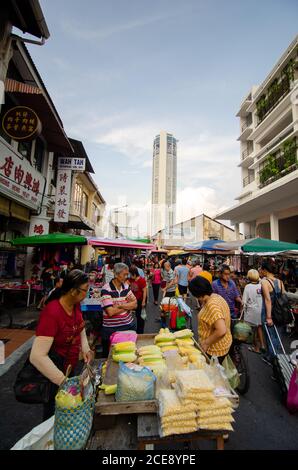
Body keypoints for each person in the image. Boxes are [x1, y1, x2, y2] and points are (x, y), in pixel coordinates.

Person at [30, 270, 94, 420]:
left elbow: (80, 327)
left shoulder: (75, 305)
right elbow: (37, 356)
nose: (87, 293)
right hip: (54, 372)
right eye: (85, 290)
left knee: (68, 410)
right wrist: (62, 381)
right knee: (54, 413)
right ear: (73, 291)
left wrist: (85, 348)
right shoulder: (52, 312)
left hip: (69, 368)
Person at [189, 276, 232, 363]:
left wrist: (206, 343)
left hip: (214, 349)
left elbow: (221, 330)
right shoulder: (215, 296)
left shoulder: (212, 306)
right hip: (224, 343)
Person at [100, 263, 137, 358]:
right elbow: (110, 312)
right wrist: (127, 305)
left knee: (128, 355)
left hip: (128, 326)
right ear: (116, 275)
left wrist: (120, 306)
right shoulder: (106, 289)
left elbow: (135, 304)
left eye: (127, 274)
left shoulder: (126, 286)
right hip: (111, 330)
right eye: (124, 274)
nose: (126, 277)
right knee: (110, 357)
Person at [260, 261, 285, 365]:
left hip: (268, 312)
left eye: (261, 269)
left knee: (270, 336)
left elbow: (267, 300)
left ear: (265, 270)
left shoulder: (264, 282)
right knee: (277, 335)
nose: (260, 272)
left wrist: (269, 317)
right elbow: (284, 297)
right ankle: (276, 357)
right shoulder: (280, 281)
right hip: (280, 313)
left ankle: (273, 359)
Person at [242, 269, 265, 354]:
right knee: (259, 327)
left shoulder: (248, 287)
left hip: (251, 312)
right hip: (261, 310)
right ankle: (262, 345)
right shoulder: (261, 285)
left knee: (253, 331)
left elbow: (244, 302)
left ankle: (256, 348)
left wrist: (242, 310)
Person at [129, 266, 147, 334]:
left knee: (140, 317)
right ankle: (137, 330)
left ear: (134, 274)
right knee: (136, 315)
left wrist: (143, 301)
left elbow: (145, 291)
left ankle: (140, 332)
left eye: (131, 274)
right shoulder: (131, 279)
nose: (130, 276)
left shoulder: (141, 280)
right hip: (134, 300)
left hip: (140, 300)